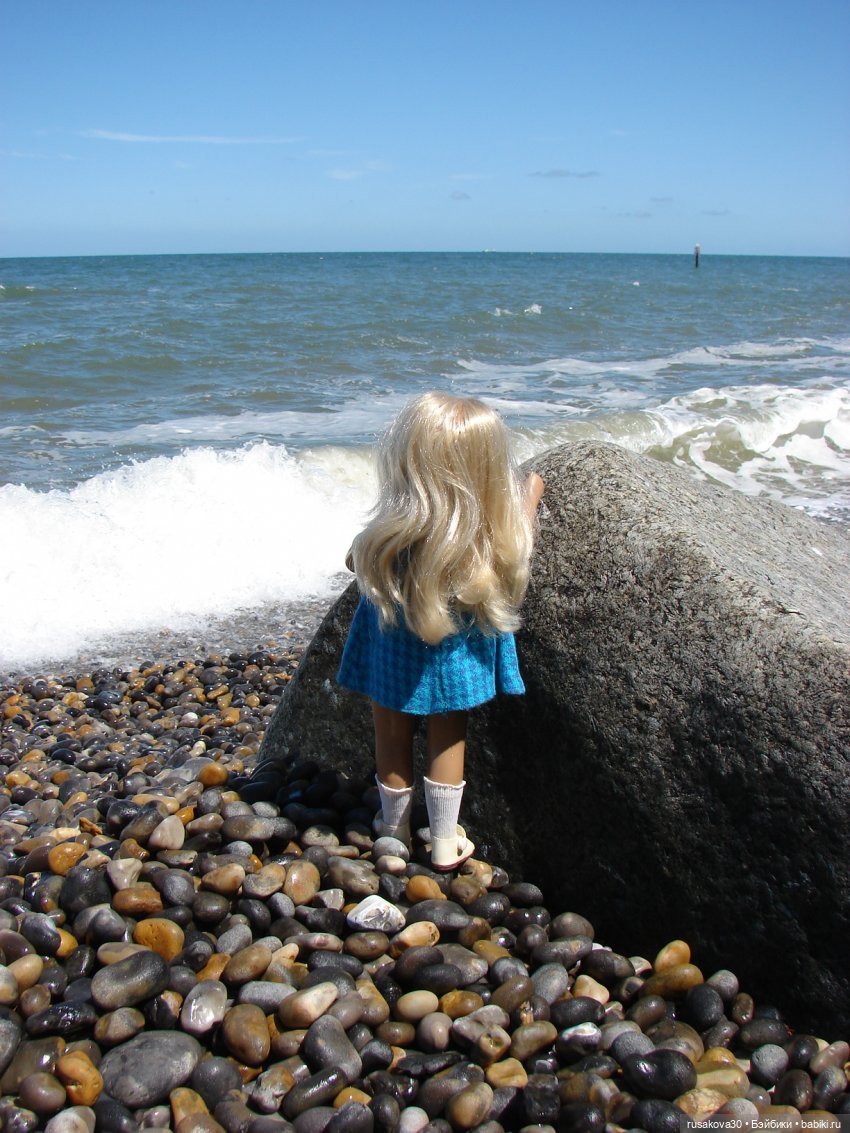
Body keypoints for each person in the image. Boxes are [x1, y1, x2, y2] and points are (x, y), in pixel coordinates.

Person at [336, 391, 545, 870]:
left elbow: (354, 562)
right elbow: (521, 539)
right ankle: (445, 841)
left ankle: (394, 832)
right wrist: (530, 492)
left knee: (390, 732)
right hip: (457, 655)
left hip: (391, 649)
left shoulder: (390, 536)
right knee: (449, 736)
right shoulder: (487, 543)